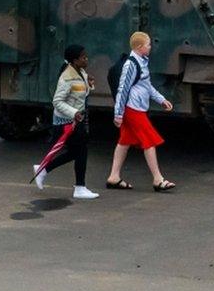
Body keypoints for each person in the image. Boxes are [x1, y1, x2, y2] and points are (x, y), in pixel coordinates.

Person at [106, 32, 176, 192]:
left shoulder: (141, 61)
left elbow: (146, 85)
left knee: (124, 141)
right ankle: (158, 179)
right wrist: (118, 114)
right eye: (148, 44)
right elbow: (122, 89)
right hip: (133, 108)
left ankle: (114, 176)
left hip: (134, 107)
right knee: (149, 141)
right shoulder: (131, 64)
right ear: (139, 47)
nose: (150, 47)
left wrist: (161, 99)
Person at [33, 45, 100, 200]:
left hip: (75, 120)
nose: (86, 59)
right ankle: (79, 187)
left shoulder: (79, 72)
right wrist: (74, 113)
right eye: (83, 57)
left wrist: (88, 83)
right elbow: (57, 101)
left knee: (78, 152)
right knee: (80, 151)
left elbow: (79, 92)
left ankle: (45, 170)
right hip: (67, 122)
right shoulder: (67, 78)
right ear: (75, 60)